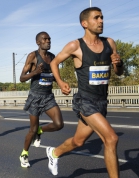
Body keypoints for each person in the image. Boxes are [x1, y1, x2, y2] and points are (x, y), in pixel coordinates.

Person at [48, 7, 123, 177]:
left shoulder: (109, 43)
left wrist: (118, 63)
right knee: (111, 138)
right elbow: (54, 62)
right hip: (85, 100)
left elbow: (118, 72)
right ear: (85, 23)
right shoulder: (76, 45)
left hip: (101, 101)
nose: (101, 21)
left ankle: (54, 153)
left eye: (102, 17)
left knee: (78, 141)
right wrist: (60, 82)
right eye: (96, 18)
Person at [19, 31, 64, 168]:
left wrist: (62, 84)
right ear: (38, 42)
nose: (48, 41)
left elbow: (55, 75)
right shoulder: (33, 56)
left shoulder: (52, 57)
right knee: (31, 130)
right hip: (35, 97)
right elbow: (21, 78)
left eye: (49, 39)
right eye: (45, 39)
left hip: (48, 96)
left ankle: (41, 130)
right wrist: (34, 72)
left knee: (58, 124)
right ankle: (24, 154)